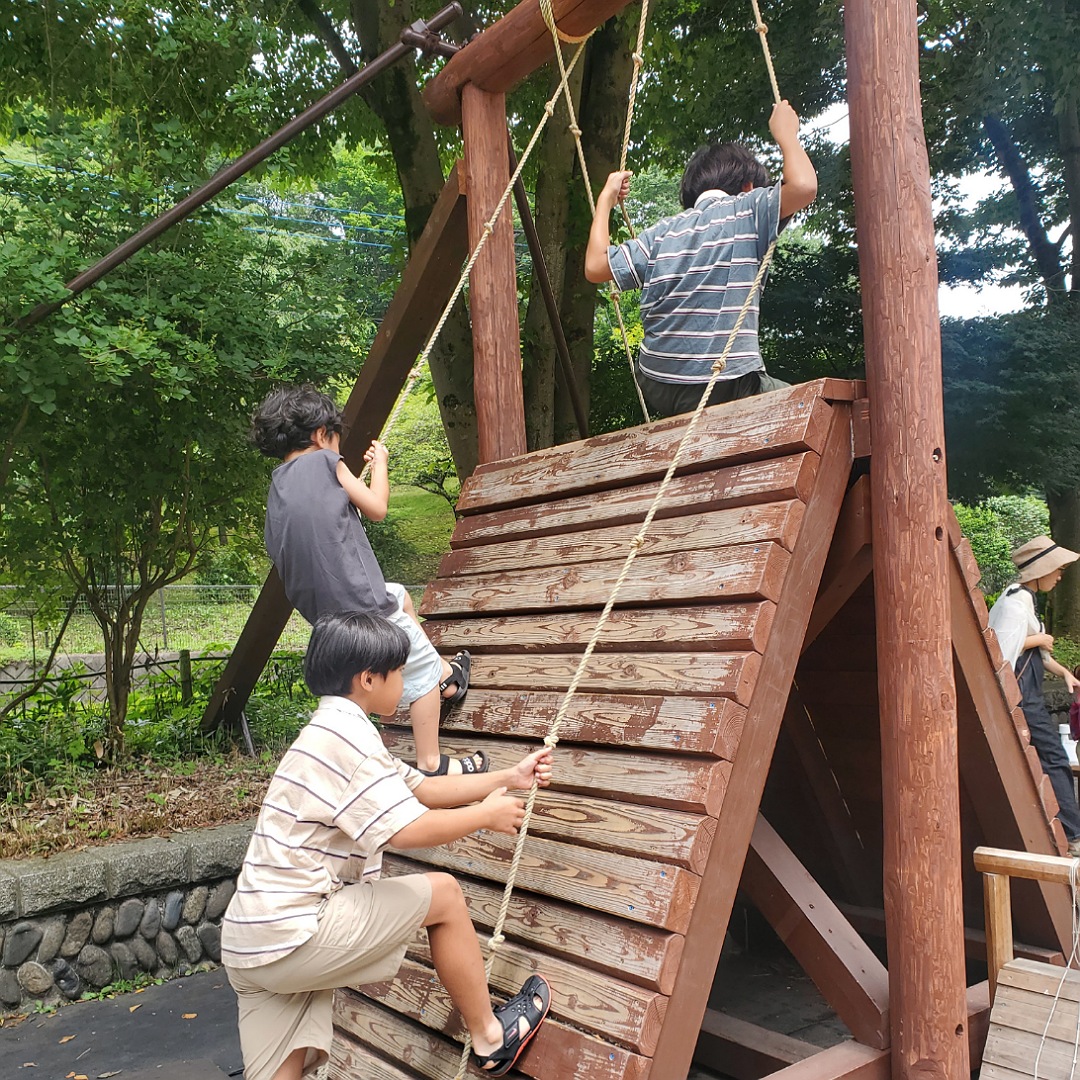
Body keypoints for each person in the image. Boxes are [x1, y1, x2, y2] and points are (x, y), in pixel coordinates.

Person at [222, 611, 554, 1080]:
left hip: (250, 944)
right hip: (295, 932)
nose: (405, 681)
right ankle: (491, 1037)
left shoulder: (329, 730)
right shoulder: (348, 738)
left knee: (283, 1068)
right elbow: (406, 829)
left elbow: (420, 787)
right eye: (399, 672)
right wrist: (485, 816)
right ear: (369, 678)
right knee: (445, 895)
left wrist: (507, 778)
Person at [251, 384, 483, 777]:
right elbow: (377, 508)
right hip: (365, 607)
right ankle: (432, 758)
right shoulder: (327, 463)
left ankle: (448, 675)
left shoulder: (278, 488)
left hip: (328, 620)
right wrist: (380, 465)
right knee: (420, 670)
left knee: (401, 596)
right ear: (323, 434)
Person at [584, 100, 818, 419]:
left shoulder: (661, 233)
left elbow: (595, 267)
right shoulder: (746, 208)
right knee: (817, 409)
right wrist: (786, 134)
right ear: (748, 187)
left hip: (659, 383)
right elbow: (803, 186)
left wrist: (605, 200)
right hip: (724, 380)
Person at [988, 535, 1080, 855]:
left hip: (1028, 696)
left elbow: (1037, 653)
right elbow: (1001, 652)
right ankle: (1073, 833)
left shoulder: (1022, 599)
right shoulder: (1015, 604)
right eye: (1056, 570)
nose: (1059, 576)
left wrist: (1064, 672)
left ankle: (1069, 829)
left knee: (1052, 758)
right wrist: (1041, 637)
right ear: (1039, 572)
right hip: (1023, 699)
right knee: (1054, 758)